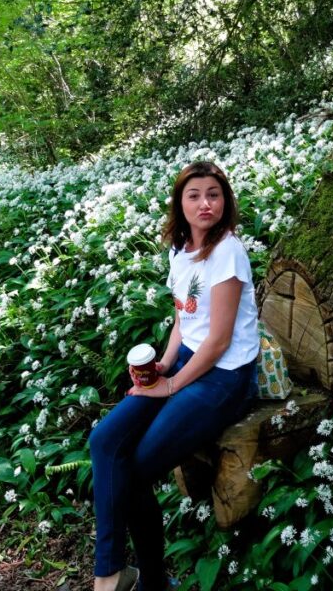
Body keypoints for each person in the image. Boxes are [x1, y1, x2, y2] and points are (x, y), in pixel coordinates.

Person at [88, 161, 260, 591]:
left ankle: (149, 582)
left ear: (226, 201)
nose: (206, 203)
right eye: (195, 195)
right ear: (180, 204)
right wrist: (164, 364)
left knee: (136, 468)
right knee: (104, 440)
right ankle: (110, 571)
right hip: (185, 362)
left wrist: (171, 385)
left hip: (224, 378)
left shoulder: (228, 252)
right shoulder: (180, 251)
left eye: (214, 194)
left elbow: (218, 341)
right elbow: (183, 319)